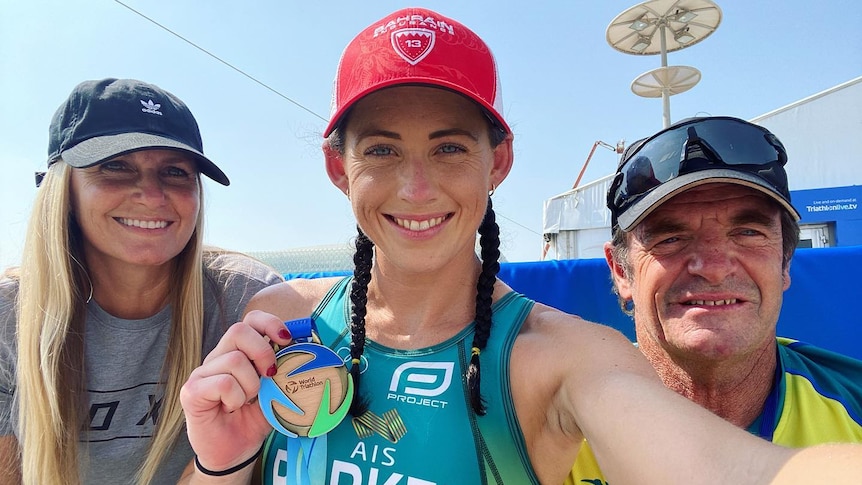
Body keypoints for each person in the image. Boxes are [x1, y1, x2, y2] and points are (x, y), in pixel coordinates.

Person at [178, 9, 862, 485]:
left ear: (497, 162)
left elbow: (738, 471)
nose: (416, 187)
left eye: (448, 147)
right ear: (339, 169)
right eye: (382, 149)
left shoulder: (563, 357)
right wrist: (219, 462)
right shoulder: (275, 322)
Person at [0, 78, 283, 485]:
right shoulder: (10, 317)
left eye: (174, 172)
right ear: (63, 189)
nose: (151, 196)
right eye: (115, 166)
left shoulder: (245, 301)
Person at [568, 116, 862, 484]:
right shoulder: (551, 433)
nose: (713, 268)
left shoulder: (854, 405)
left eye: (748, 232)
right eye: (670, 238)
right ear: (622, 272)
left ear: (785, 261)